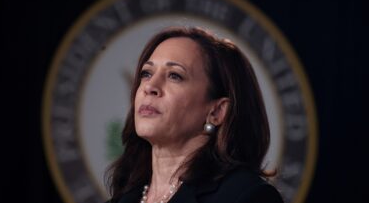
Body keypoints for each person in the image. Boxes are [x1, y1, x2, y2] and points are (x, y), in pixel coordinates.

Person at [105, 27, 284, 203]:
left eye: (175, 76)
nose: (150, 87)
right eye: (146, 73)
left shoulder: (248, 197)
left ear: (217, 111)